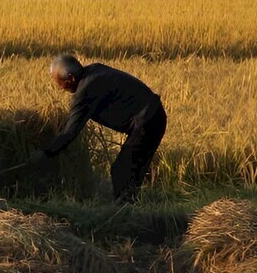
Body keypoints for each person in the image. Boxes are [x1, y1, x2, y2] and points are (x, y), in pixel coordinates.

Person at [31, 54, 167, 202]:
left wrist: (46, 152)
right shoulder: (95, 71)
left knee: (122, 171)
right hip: (153, 115)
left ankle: (125, 213)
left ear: (71, 78)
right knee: (130, 171)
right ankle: (131, 208)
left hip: (148, 120)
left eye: (59, 83)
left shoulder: (86, 90)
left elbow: (70, 132)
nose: (60, 88)